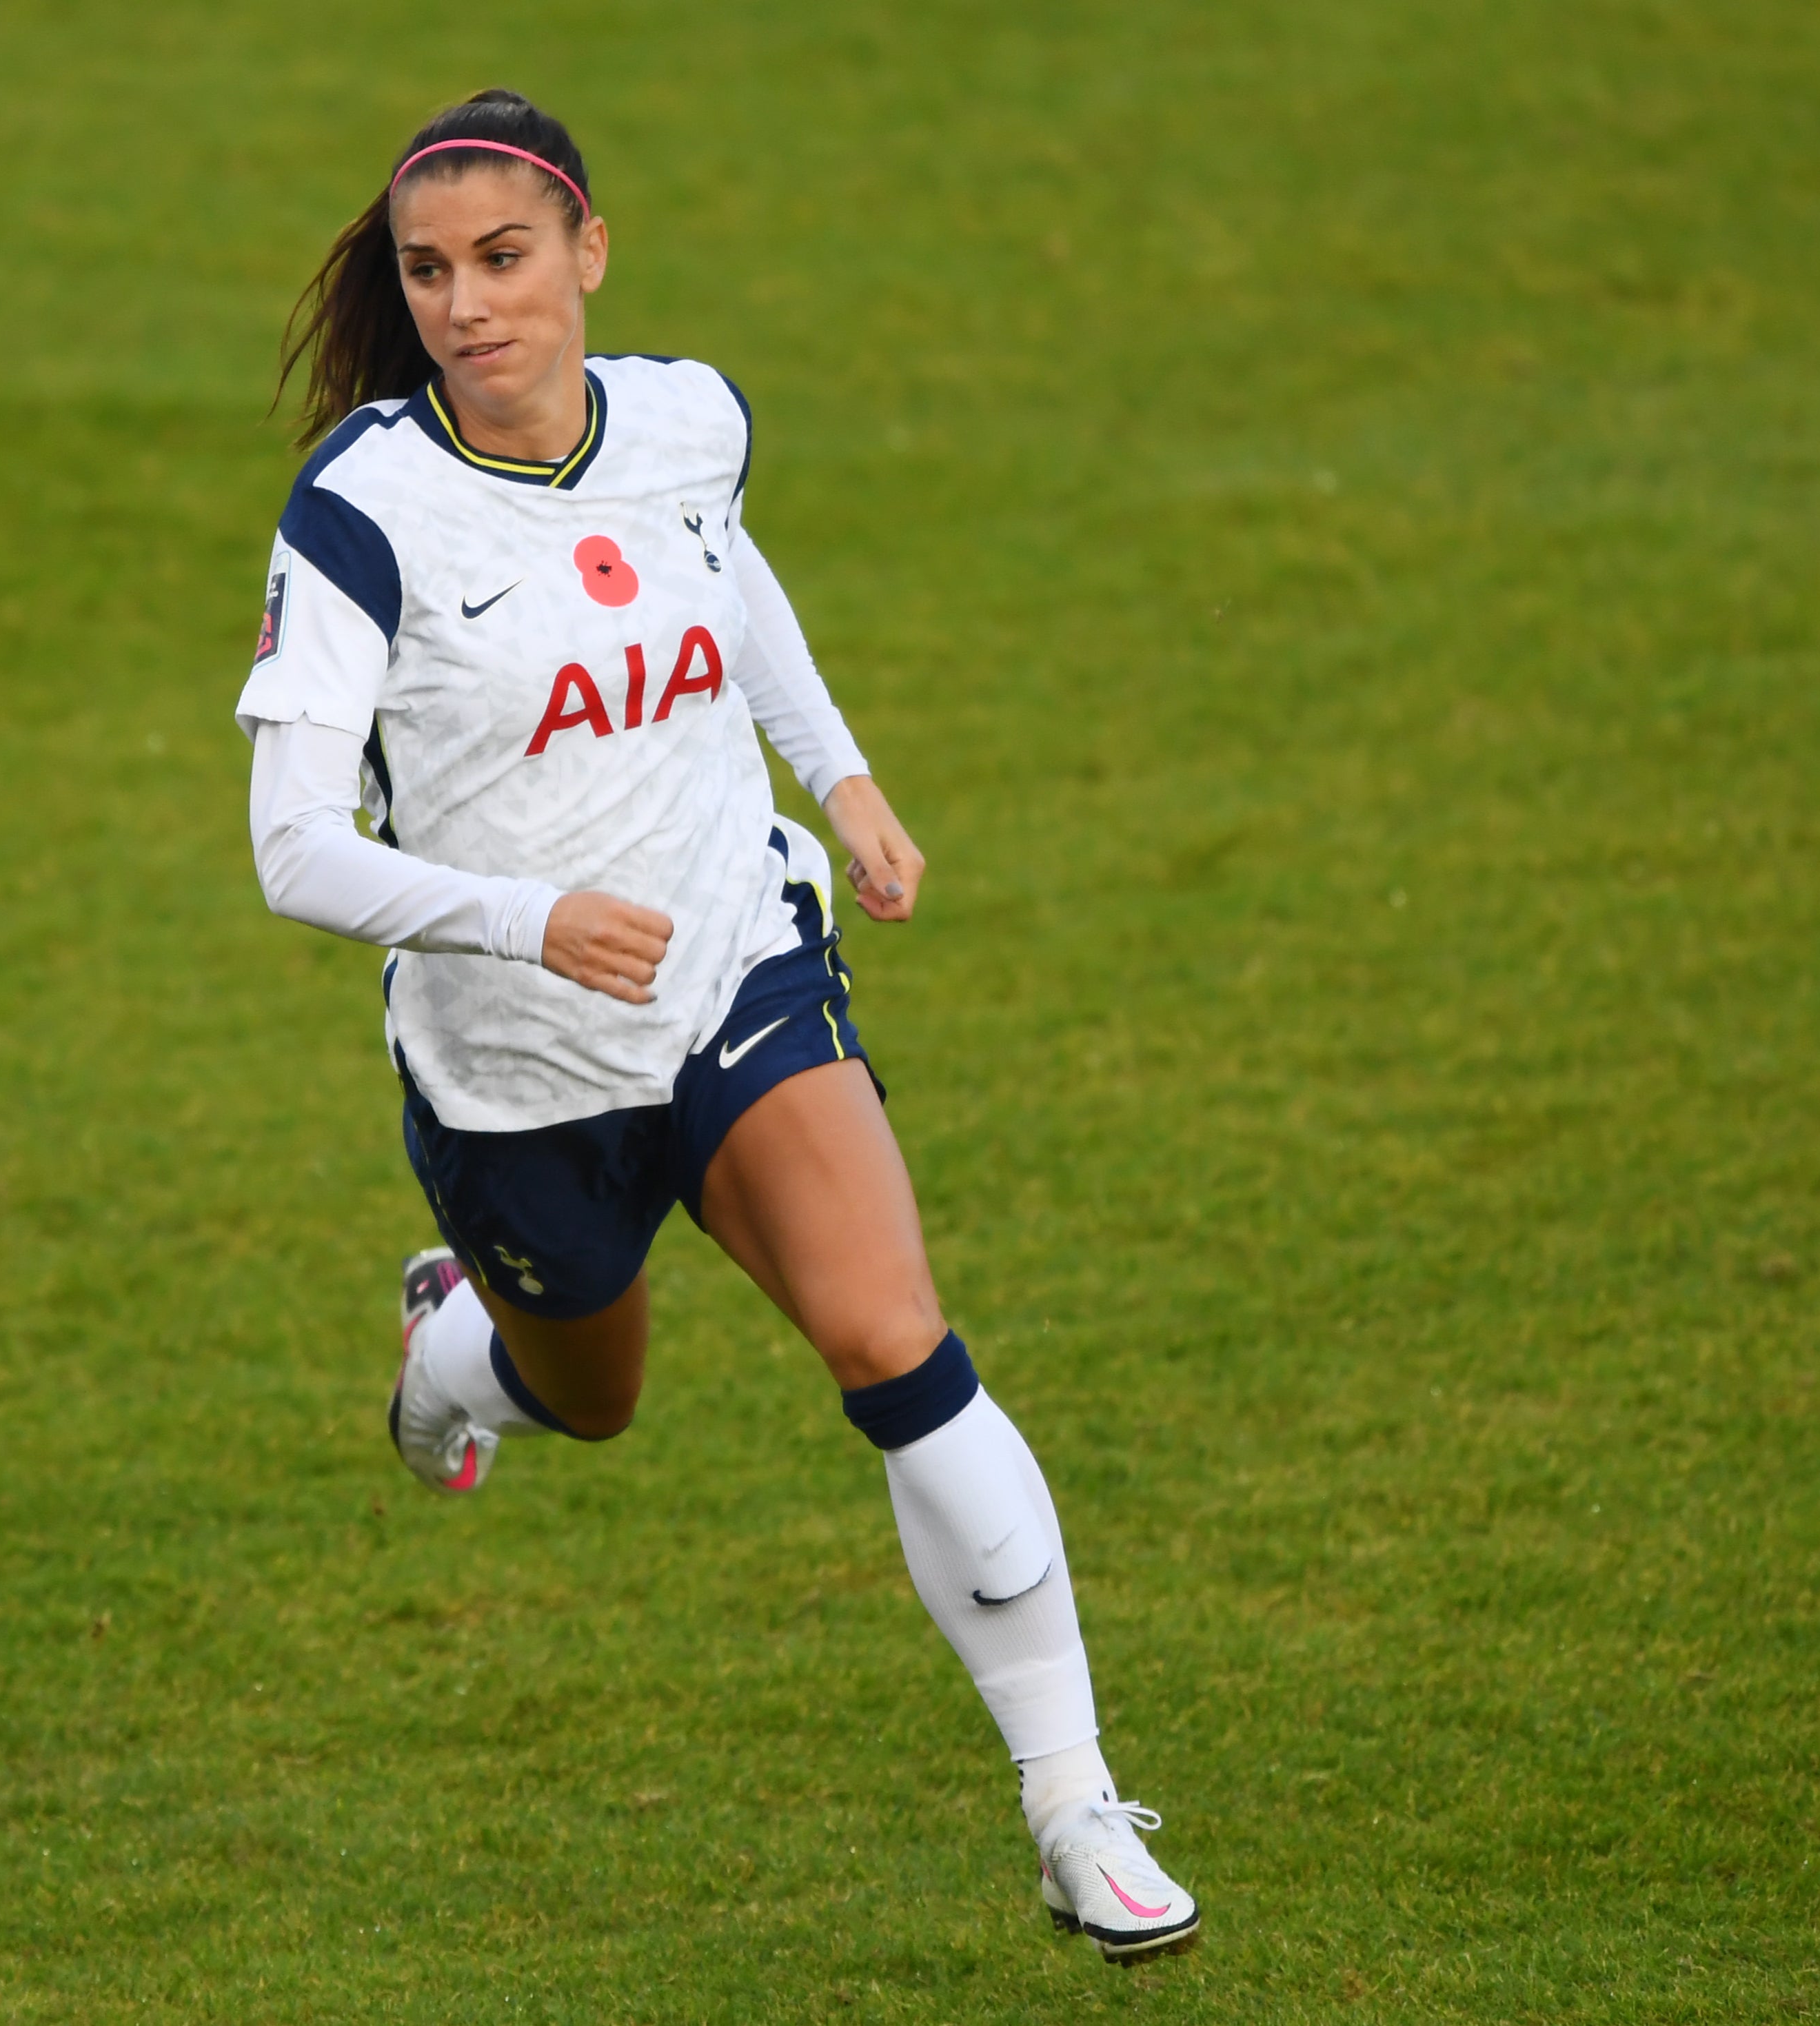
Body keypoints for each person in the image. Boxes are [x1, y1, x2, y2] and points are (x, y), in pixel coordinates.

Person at [239, 88, 1199, 1963]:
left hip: (730, 971)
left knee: (894, 1339)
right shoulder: (361, 513)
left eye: (503, 260)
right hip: (513, 1070)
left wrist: (834, 775)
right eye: (429, 271)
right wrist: (528, 919)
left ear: (587, 254)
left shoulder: (687, 417)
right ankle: (461, 1343)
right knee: (591, 1397)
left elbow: (719, 563)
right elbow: (288, 851)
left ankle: (1075, 1804)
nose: (463, 303)